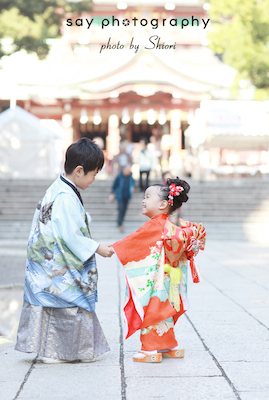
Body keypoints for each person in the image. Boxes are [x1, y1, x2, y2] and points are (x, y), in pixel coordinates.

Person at [15, 137, 114, 364]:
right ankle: (54, 351)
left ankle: (51, 349)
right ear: (79, 171)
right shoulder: (64, 196)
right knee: (67, 301)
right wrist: (96, 247)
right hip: (54, 263)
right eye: (93, 174)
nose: (94, 179)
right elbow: (69, 234)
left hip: (45, 261)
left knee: (54, 304)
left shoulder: (60, 189)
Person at [113, 178, 206, 363]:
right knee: (167, 309)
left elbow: (133, 241)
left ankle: (150, 349)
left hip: (157, 280)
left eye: (147, 196)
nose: (143, 200)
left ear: (163, 204)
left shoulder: (156, 224)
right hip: (172, 279)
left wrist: (112, 248)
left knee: (152, 307)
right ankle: (170, 345)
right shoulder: (173, 225)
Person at [109, 165, 134, 232]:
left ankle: (120, 222)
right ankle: (120, 224)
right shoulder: (119, 176)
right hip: (120, 196)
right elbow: (114, 185)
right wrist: (112, 193)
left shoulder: (130, 177)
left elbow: (132, 184)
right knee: (121, 209)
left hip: (127, 196)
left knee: (124, 210)